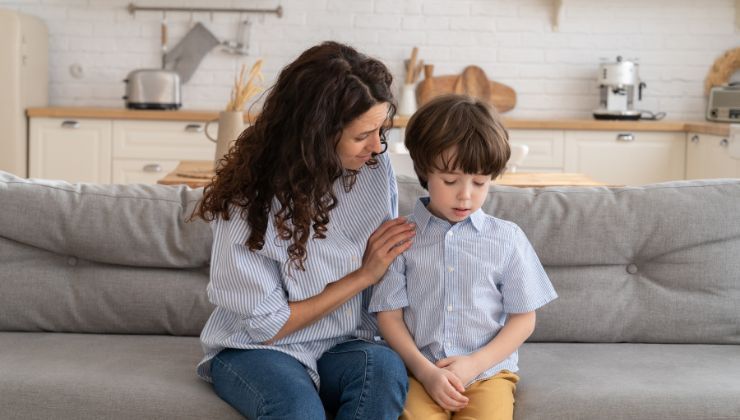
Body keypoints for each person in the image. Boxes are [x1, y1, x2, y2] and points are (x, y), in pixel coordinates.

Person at [194, 41, 415, 419]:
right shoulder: (247, 200)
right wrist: (364, 275)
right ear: (317, 134)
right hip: (257, 350)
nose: (377, 147)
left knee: (384, 369)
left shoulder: (374, 173)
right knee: (298, 411)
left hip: (344, 345)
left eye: (381, 130)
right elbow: (268, 326)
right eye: (362, 136)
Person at [369, 94, 558, 420]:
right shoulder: (401, 238)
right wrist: (426, 372)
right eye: (451, 181)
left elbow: (524, 318)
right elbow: (389, 317)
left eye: (480, 182)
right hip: (420, 373)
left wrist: (475, 363)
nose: (466, 195)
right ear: (424, 171)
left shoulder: (506, 238)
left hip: (487, 374)